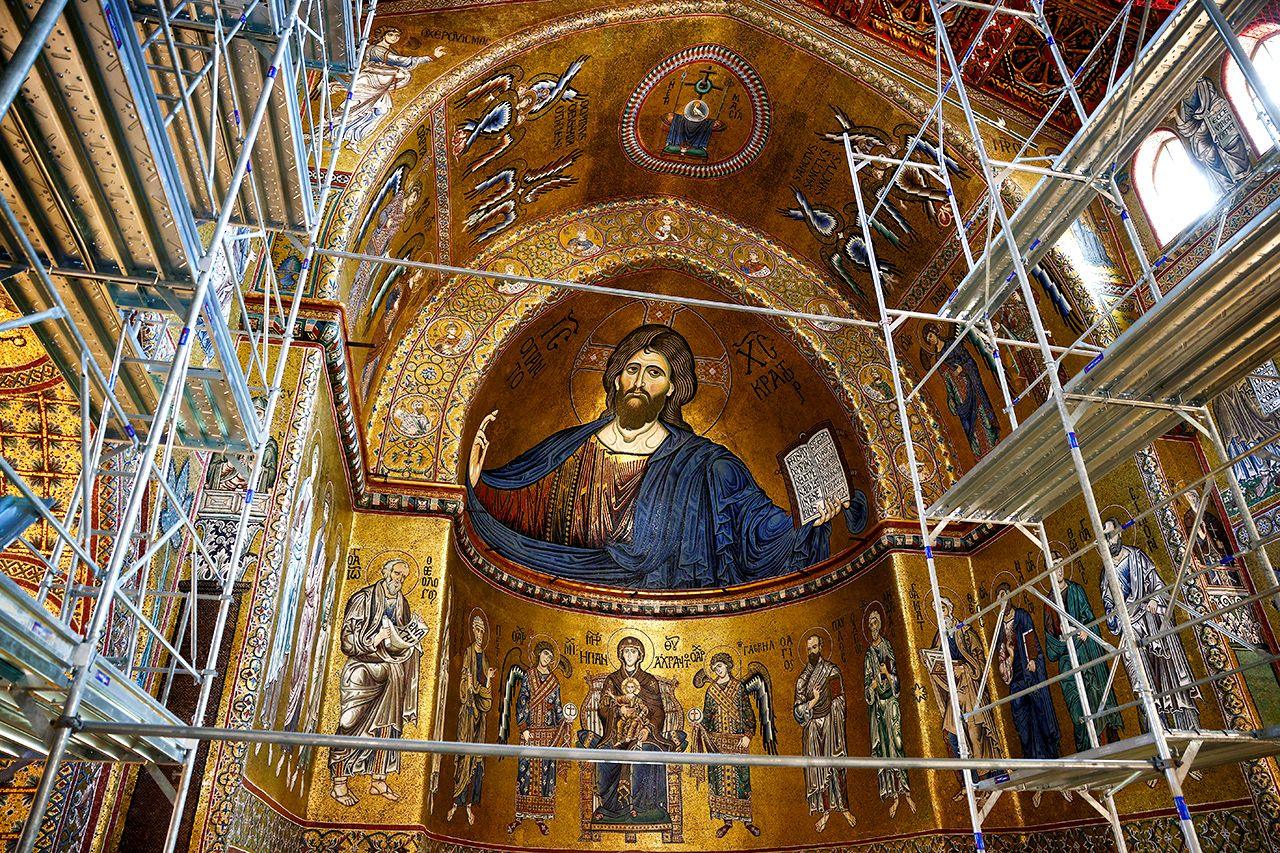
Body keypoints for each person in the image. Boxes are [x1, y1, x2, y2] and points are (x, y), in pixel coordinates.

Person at [467, 325, 847, 589]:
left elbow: (755, 529)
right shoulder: (569, 447)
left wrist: (808, 521)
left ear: (671, 389)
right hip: (564, 587)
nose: (639, 382)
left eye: (654, 373)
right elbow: (519, 503)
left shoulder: (706, 465)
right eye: (632, 369)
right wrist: (476, 479)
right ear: (616, 378)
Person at [328, 558, 426, 806]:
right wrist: (375, 639)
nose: (398, 580)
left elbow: (400, 637)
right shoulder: (363, 599)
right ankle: (338, 784)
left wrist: (411, 640)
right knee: (349, 722)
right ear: (384, 572)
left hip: (392, 672)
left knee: (387, 727)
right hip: (362, 669)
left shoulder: (402, 603)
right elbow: (347, 641)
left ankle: (378, 780)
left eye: (403, 577)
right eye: (395, 573)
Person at [1100, 518, 1201, 730]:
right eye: (1105, 538)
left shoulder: (1137, 557)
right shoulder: (1105, 573)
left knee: (1167, 672)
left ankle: (1185, 724)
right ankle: (1157, 728)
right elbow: (1108, 605)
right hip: (1130, 628)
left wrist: (1155, 599)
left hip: (1152, 621)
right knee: (1142, 680)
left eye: (1111, 535)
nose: (1109, 541)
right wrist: (1117, 614)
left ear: (1120, 534)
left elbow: (1157, 584)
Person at [580, 637, 680, 824]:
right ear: (620, 655)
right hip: (616, 733)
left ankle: (644, 807)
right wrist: (618, 710)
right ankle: (611, 807)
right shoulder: (612, 680)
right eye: (626, 651)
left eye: (633, 651)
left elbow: (658, 711)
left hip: (644, 733)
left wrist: (647, 728)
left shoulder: (649, 681)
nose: (629, 655)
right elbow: (603, 707)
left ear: (640, 655)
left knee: (644, 753)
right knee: (605, 755)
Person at [923, 597, 1002, 799]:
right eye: (936, 611)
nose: (940, 614)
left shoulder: (965, 632)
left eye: (942, 609)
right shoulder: (939, 638)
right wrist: (930, 663)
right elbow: (939, 663)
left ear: (949, 610)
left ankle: (987, 781)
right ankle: (970, 782)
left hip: (970, 688)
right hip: (955, 693)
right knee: (952, 736)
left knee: (975, 735)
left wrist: (965, 667)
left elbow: (979, 659)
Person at [1043, 560, 1123, 751]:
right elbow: (1050, 644)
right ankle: (1088, 753)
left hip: (1087, 656)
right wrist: (1062, 638)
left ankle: (1109, 750)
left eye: (1061, 564)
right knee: (1077, 711)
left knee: (1097, 700)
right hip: (1068, 663)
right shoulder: (1048, 602)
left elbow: (1091, 621)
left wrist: (1084, 630)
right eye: (1054, 566)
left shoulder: (1076, 590)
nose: (1059, 569)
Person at [793, 633, 857, 833]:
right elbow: (797, 711)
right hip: (812, 727)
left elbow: (840, 699)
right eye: (808, 649)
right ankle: (826, 811)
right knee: (818, 771)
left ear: (821, 647)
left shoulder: (831, 671)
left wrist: (832, 710)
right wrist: (813, 700)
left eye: (814, 647)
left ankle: (845, 808)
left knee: (837, 765)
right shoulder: (803, 680)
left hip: (831, 722)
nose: (811, 651)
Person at [994, 583, 1061, 769]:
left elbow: (1030, 637)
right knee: (1022, 720)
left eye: (1004, 596)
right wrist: (1004, 663)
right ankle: (1032, 760)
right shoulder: (1000, 625)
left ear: (1010, 596)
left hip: (1029, 672)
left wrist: (1032, 659)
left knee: (1041, 715)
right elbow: (1001, 651)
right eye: (998, 599)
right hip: (1015, 678)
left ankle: (1051, 756)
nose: (1002, 601)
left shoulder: (1021, 615)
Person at [699, 654, 765, 838]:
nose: (717, 670)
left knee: (741, 781)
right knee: (720, 782)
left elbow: (748, 712)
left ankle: (747, 821)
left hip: (737, 741)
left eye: (720, 666)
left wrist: (748, 734)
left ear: (728, 666)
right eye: (714, 668)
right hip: (718, 742)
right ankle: (726, 822)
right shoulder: (711, 691)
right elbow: (708, 717)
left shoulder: (738, 688)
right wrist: (699, 723)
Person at [506, 640, 565, 835]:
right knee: (525, 772)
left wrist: (563, 724)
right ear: (538, 655)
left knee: (546, 774)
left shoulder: (554, 682)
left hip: (548, 734)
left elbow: (557, 707)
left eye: (550, 656)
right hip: (529, 732)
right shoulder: (529, 676)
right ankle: (520, 815)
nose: (547, 658)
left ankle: (541, 817)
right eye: (545, 654)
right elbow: (521, 701)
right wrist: (523, 727)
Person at [920, 323, 999, 459]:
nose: (931, 340)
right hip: (957, 393)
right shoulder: (937, 358)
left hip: (968, 384)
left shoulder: (951, 344)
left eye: (931, 336)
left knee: (979, 413)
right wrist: (951, 397)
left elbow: (969, 360)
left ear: (936, 333)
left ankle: (991, 440)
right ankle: (979, 449)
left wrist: (963, 368)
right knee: (966, 420)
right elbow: (945, 379)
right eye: (928, 339)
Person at [863, 609, 914, 817]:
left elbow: (896, 678)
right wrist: (872, 686)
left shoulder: (887, 647)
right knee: (884, 747)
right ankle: (893, 793)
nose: (873, 625)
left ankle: (906, 790)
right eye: (870, 622)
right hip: (878, 707)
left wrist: (887, 675)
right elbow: (866, 686)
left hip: (891, 702)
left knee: (898, 743)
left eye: (876, 621)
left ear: (880, 624)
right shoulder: (868, 655)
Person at [449, 611, 495, 824]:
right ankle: (456, 801)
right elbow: (464, 685)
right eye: (476, 629)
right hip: (467, 713)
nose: (479, 634)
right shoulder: (468, 653)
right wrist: (469, 687)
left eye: (482, 630)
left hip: (480, 715)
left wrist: (486, 683)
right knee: (463, 756)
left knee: (477, 759)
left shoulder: (484, 658)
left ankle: (468, 804)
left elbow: (486, 692)